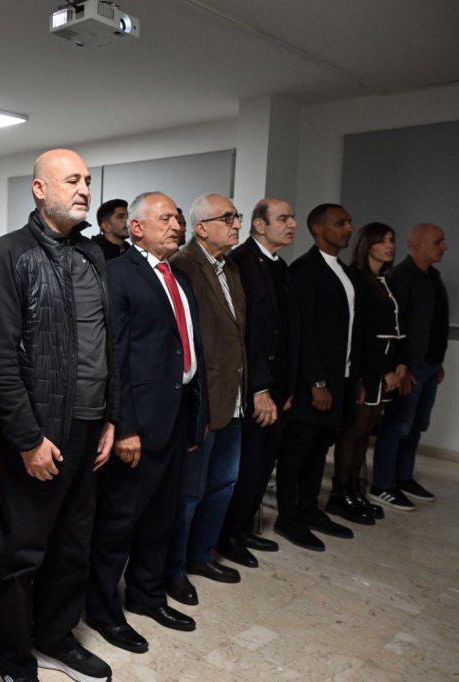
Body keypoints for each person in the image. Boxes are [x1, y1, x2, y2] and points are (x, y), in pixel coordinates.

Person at [0, 149, 117, 682]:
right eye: (72, 181)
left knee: (74, 544)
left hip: (90, 426)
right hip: (40, 434)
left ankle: (56, 636)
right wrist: (26, 438)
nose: (84, 189)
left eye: (87, 181)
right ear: (39, 189)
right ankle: (15, 659)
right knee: (23, 555)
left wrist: (110, 418)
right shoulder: (9, 253)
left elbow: (108, 343)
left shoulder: (92, 254)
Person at [86, 192, 207, 654]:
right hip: (138, 424)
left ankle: (146, 595)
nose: (176, 225)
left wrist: (195, 418)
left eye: (177, 218)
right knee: (118, 523)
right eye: (165, 219)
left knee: (161, 518)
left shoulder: (178, 277)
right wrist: (125, 427)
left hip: (175, 418)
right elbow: (115, 358)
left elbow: (188, 351)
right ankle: (102, 610)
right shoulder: (118, 275)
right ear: (136, 227)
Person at [166, 193, 247, 605]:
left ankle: (202, 555)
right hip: (204, 402)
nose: (237, 224)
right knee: (189, 494)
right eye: (228, 218)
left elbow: (237, 335)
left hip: (233, 398)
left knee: (223, 484)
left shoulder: (229, 266)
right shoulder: (183, 266)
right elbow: (187, 343)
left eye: (237, 216)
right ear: (201, 228)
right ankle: (174, 569)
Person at [217, 198, 299, 567]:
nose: (292, 224)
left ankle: (243, 528)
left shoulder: (280, 266)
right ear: (260, 225)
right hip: (254, 385)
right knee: (247, 466)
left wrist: (288, 387)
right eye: (283, 218)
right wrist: (261, 389)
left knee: (264, 463)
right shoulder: (240, 263)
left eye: (292, 218)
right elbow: (245, 334)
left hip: (277, 386)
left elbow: (289, 331)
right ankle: (228, 537)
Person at [275, 203, 357, 551]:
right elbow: (303, 332)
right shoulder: (305, 270)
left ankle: (309, 509)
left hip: (341, 378)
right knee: (297, 448)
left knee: (320, 447)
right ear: (319, 229)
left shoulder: (345, 272)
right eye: (341, 223)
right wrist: (316, 382)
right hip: (314, 382)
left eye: (349, 222)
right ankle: (287, 516)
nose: (349, 228)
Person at [328, 222, 406, 524]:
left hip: (386, 366)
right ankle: (340, 492)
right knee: (354, 430)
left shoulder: (385, 280)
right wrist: (380, 372)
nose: (389, 246)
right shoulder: (357, 280)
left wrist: (399, 365)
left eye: (391, 240)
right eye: (382, 240)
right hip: (367, 368)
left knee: (367, 431)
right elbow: (360, 333)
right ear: (367, 245)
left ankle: (354, 487)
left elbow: (396, 331)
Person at [369, 223, 448, 510]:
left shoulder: (433, 277)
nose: (444, 247)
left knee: (415, 426)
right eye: (438, 241)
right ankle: (382, 484)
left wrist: (437, 362)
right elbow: (395, 329)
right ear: (417, 244)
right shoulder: (401, 278)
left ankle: (403, 477)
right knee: (397, 426)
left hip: (429, 366)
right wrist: (401, 367)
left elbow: (433, 324)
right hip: (410, 368)